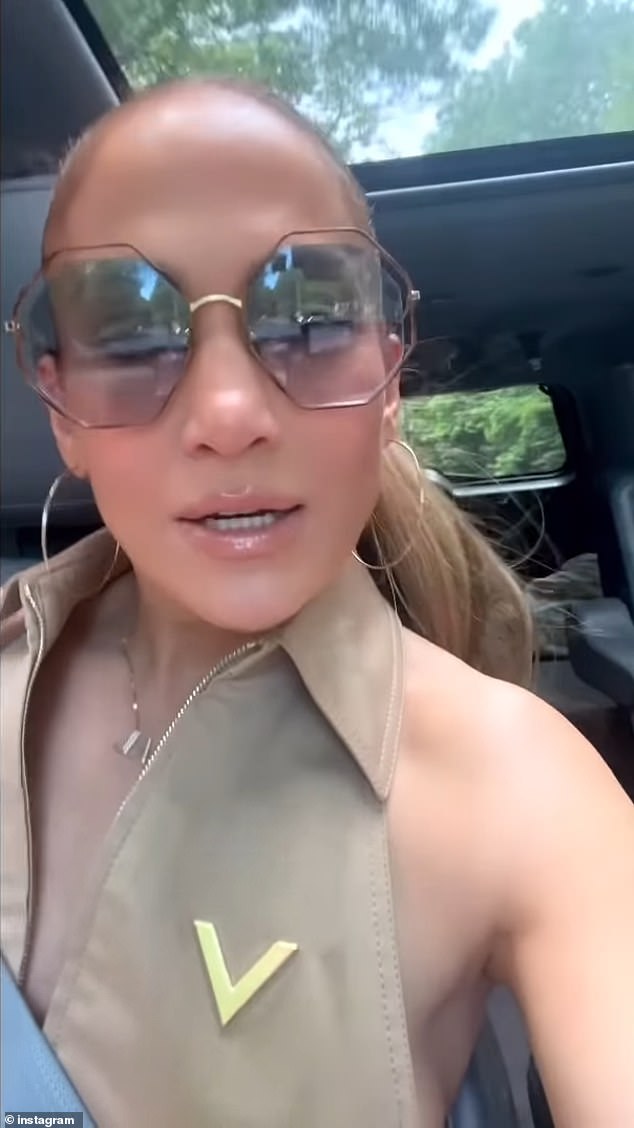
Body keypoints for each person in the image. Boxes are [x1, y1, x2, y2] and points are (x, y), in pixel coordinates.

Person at [1, 78, 632, 1128]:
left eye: (308, 317)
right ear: (60, 402)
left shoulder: (519, 788)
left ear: (388, 379)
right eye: (131, 333)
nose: (229, 413)